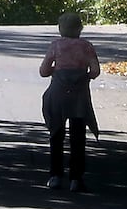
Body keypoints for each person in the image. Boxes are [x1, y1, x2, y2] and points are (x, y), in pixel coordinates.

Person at [39, 11, 100, 192]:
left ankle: (55, 176)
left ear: (60, 29)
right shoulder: (86, 46)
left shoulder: (56, 46)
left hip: (59, 93)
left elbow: (43, 71)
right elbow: (95, 71)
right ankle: (76, 178)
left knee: (56, 135)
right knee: (78, 136)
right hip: (79, 95)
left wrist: (56, 70)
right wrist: (84, 76)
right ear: (80, 28)